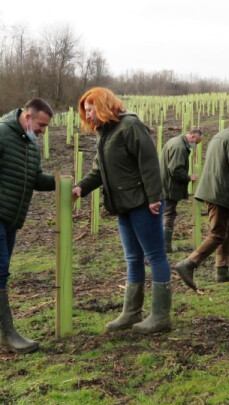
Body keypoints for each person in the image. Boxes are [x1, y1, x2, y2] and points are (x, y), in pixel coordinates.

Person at [72, 87, 172, 335]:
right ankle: (131, 312)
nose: (88, 114)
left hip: (142, 202)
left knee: (155, 256)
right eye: (85, 110)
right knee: (132, 258)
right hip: (122, 205)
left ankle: (160, 316)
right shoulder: (104, 133)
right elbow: (99, 171)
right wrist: (80, 189)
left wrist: (153, 198)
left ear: (104, 105)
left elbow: (149, 162)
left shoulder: (130, 126)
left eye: (90, 108)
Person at [0, 98, 57, 353]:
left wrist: (59, 182)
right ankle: (7, 333)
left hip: (7, 216)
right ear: (27, 116)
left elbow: (34, 178)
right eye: (41, 124)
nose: (42, 130)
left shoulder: (30, 144)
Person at [174, 113, 229, 290]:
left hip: (212, 189)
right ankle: (189, 264)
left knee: (228, 230)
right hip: (220, 192)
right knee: (219, 233)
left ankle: (222, 269)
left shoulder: (221, 135)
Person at [161, 129, 202, 253]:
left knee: (166, 212)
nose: (195, 146)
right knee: (169, 214)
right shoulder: (180, 147)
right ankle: (165, 246)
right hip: (169, 186)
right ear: (193, 136)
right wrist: (188, 177)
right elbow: (175, 169)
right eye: (196, 142)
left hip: (164, 183)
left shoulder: (174, 141)